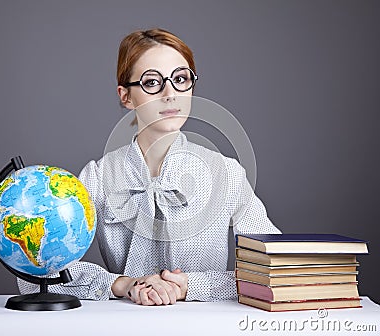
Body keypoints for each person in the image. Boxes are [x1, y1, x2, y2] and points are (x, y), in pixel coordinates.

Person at [18, 28, 281, 305]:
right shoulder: (98, 177)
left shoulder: (226, 173)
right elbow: (33, 275)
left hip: (209, 325)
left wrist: (189, 287)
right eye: (152, 82)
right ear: (126, 96)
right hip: (121, 324)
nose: (170, 94)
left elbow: (275, 268)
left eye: (181, 79)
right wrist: (122, 284)